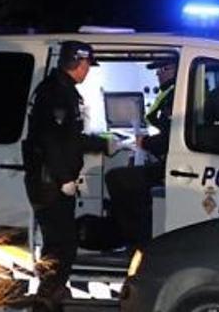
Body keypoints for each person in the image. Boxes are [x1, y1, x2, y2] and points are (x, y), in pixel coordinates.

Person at [23, 41, 109, 311]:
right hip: (50, 183)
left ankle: (52, 293)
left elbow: (70, 138)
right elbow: (51, 141)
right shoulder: (57, 93)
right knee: (61, 244)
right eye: (87, 65)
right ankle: (47, 297)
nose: (88, 71)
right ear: (78, 63)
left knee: (59, 242)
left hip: (52, 181)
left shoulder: (61, 90)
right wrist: (63, 179)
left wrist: (104, 144)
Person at [105, 59, 176, 247]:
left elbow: (169, 139)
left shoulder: (176, 96)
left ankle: (134, 239)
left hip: (171, 165)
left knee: (116, 178)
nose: (158, 74)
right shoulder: (171, 94)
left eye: (163, 69)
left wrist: (145, 142)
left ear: (176, 69)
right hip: (169, 162)